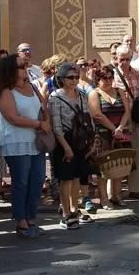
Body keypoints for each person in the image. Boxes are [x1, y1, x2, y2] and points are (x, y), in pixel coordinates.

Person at [0, 54, 48, 239]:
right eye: (21, 66)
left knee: (38, 179)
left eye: (25, 66)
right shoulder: (5, 90)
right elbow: (13, 118)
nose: (25, 69)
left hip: (36, 140)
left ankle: (31, 217)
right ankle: (21, 221)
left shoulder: (32, 86)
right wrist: (38, 124)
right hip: (16, 140)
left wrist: (45, 119)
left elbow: (42, 106)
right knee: (21, 181)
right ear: (10, 70)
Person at [48, 63, 96, 229]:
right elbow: (56, 125)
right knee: (66, 179)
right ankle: (66, 214)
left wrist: (91, 140)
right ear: (61, 79)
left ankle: (75, 209)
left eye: (76, 77)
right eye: (70, 77)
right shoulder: (55, 97)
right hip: (65, 140)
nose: (75, 80)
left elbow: (87, 117)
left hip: (80, 140)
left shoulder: (82, 94)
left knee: (77, 177)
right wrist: (66, 147)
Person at [88, 65, 132, 208]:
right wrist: (114, 129)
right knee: (103, 169)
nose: (108, 81)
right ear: (97, 79)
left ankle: (116, 195)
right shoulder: (94, 94)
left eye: (110, 78)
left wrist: (120, 128)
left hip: (120, 133)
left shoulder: (119, 91)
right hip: (102, 135)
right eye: (104, 78)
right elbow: (97, 115)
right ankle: (104, 198)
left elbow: (127, 111)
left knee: (119, 165)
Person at [113, 45, 139, 199]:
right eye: (121, 59)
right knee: (118, 155)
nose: (124, 62)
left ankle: (136, 189)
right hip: (118, 119)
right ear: (116, 58)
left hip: (135, 118)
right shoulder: (111, 75)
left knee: (136, 153)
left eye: (127, 59)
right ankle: (115, 193)